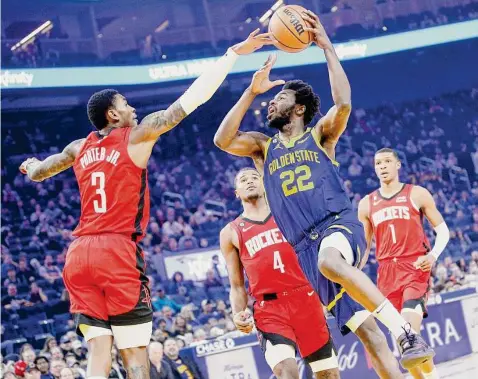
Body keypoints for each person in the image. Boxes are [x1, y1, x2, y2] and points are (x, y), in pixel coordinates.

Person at [19, 31, 273, 379]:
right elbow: (188, 102)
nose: (133, 108)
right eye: (126, 104)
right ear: (112, 115)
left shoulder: (79, 147)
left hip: (78, 255)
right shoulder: (136, 137)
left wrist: (29, 165)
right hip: (116, 249)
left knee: (98, 350)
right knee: (135, 353)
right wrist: (232, 54)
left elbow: (39, 172)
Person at [214, 8, 433, 373]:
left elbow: (343, 103)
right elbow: (222, 140)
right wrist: (251, 91)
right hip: (305, 248)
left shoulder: (320, 136)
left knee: (331, 262)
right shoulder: (262, 148)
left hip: (336, 226)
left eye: (279, 98)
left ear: (298, 108)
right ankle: (399, 347)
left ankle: (406, 332)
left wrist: (327, 47)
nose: (272, 102)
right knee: (368, 335)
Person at [220, 168, 339, 378]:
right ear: (236, 192)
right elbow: (237, 285)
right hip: (270, 309)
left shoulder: (290, 215)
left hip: (306, 300)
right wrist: (238, 313)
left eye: (254, 177)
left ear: (265, 184)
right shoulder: (231, 232)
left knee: (328, 374)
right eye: (243, 180)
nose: (249, 182)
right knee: (286, 372)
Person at [358, 148, 450, 379]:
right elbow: (364, 245)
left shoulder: (416, 193)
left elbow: (443, 230)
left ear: (398, 165)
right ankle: (430, 376)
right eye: (378, 163)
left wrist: (433, 256)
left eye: (387, 161)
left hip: (414, 267)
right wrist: (351, 272)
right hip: (386, 272)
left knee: (410, 333)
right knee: (404, 347)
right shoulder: (366, 204)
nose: (382, 166)